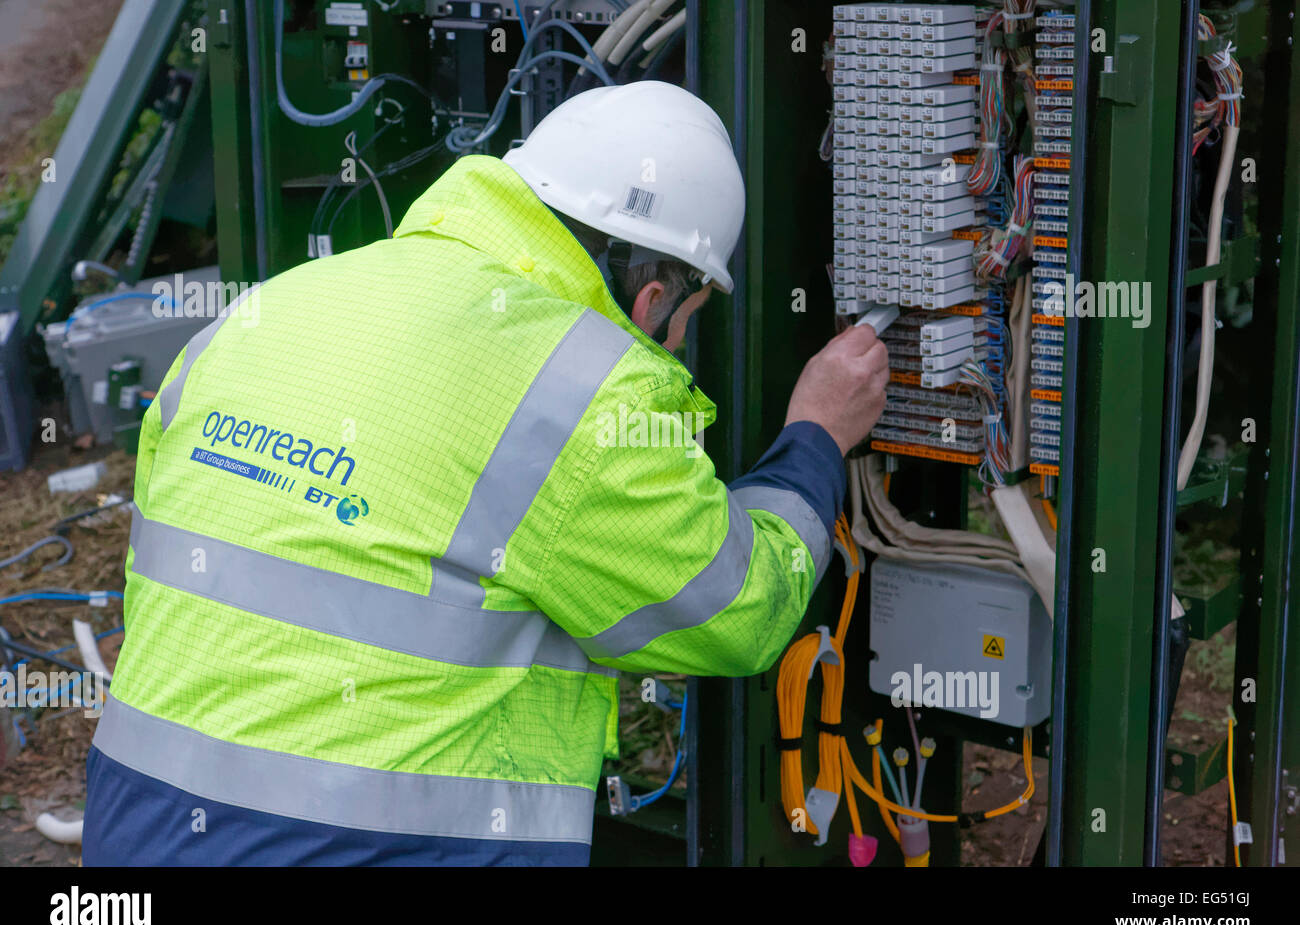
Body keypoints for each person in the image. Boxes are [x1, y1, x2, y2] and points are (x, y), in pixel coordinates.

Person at [82, 80, 888, 865]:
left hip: (133, 819)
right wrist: (815, 436)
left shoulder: (271, 307)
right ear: (651, 301)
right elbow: (734, 611)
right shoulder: (588, 391)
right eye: (684, 324)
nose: (671, 347)